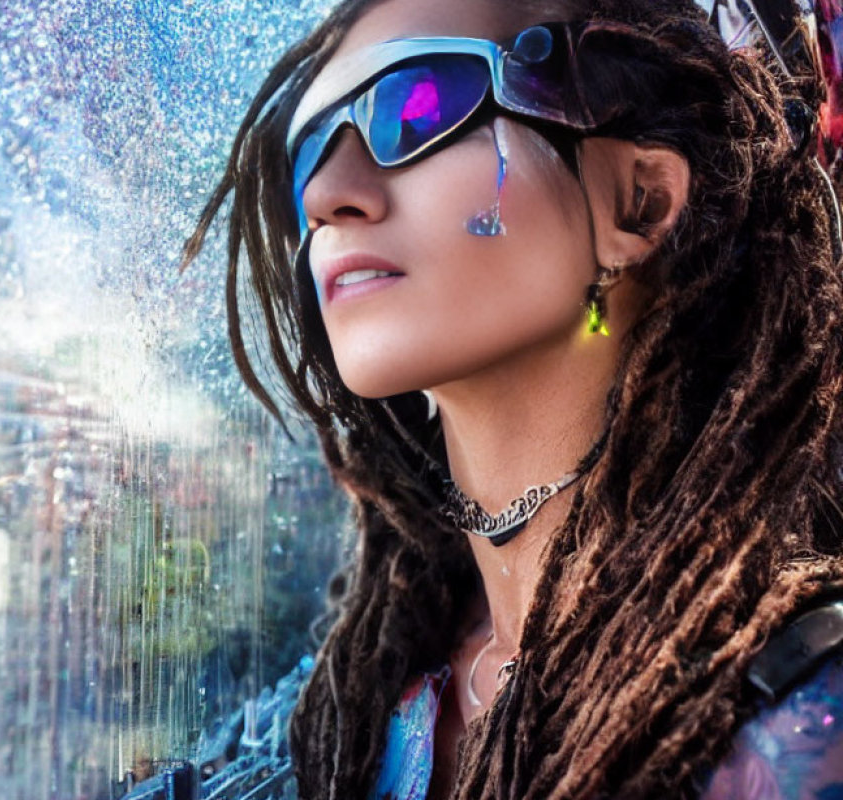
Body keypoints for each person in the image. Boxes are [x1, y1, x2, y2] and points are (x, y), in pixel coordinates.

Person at [178, 0, 843, 796]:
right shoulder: (337, 712)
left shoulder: (805, 721)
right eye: (308, 153)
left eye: (415, 103)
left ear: (641, 203)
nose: (328, 193)